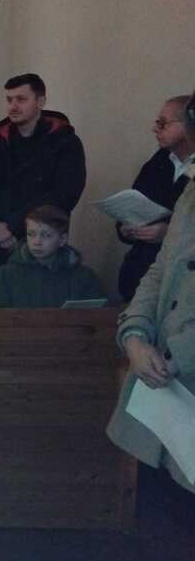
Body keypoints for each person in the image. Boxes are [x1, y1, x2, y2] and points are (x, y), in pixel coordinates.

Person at [108, 89, 195, 496]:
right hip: (162, 373)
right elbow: (161, 268)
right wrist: (135, 336)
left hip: (179, 362)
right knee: (160, 501)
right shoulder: (189, 187)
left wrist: (175, 356)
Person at [0, 73, 87, 270]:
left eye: (21, 99)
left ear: (40, 101)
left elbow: (65, 193)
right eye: (9, 99)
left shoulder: (64, 142)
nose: (13, 106)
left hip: (39, 244)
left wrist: (12, 227)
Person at [116, 95, 192, 301]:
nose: (155, 128)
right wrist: (126, 227)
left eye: (163, 123)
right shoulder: (159, 160)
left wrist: (169, 232)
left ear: (188, 125)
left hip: (183, 283)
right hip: (140, 275)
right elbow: (132, 202)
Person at [0, 205, 104, 308]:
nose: (37, 242)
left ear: (62, 239)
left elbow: (100, 317)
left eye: (46, 235)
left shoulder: (85, 277)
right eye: (31, 234)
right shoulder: (5, 275)